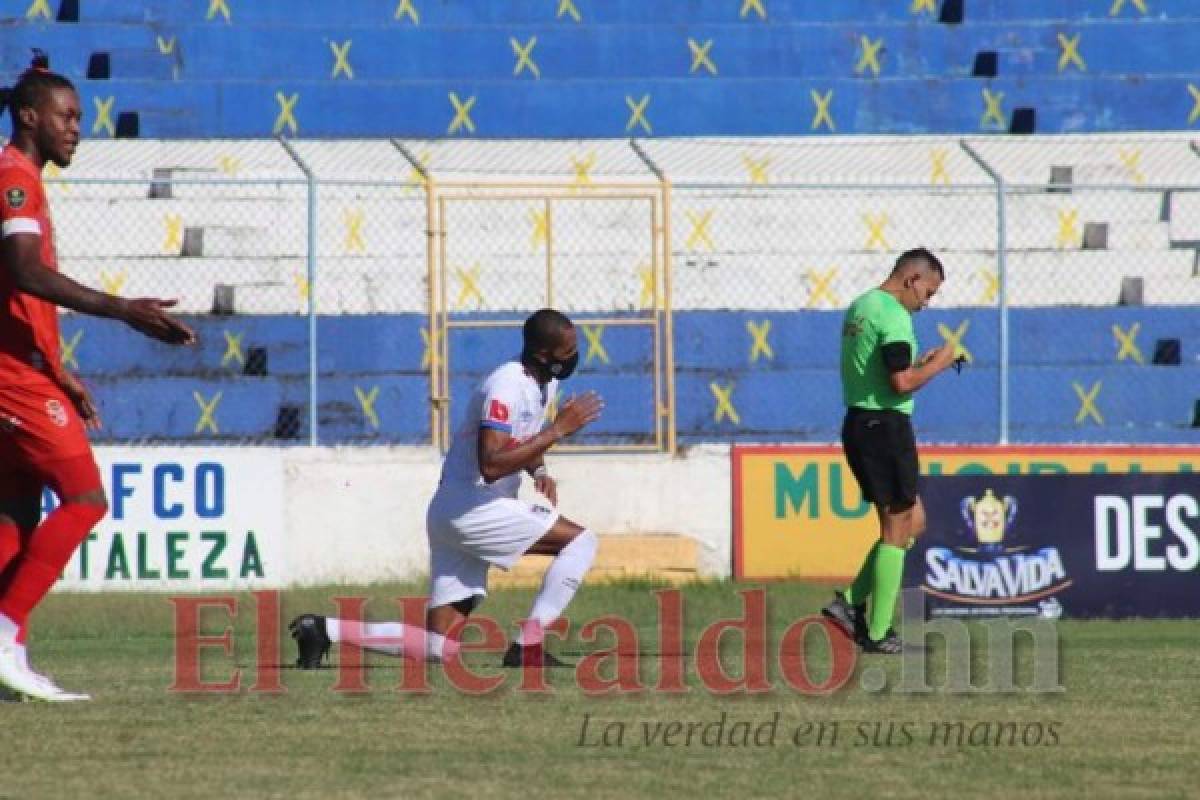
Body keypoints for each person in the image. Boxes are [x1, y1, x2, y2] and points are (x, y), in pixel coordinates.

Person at [0, 52, 196, 701]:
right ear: (30, 116)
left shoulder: (22, 175)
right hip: (10, 377)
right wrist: (124, 310)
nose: (77, 128)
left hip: (25, 371)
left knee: (18, 512)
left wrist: (59, 371)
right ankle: (3, 633)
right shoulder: (13, 179)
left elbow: (17, 300)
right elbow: (25, 271)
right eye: (67, 115)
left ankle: (7, 655)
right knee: (85, 499)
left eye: (80, 117)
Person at [292, 308, 604, 670]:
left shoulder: (544, 384)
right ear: (542, 354)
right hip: (475, 507)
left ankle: (323, 629)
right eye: (567, 352)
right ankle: (527, 647)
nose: (574, 357)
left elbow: (520, 440)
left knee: (440, 648)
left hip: (454, 512)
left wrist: (539, 470)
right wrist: (558, 430)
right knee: (581, 542)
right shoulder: (506, 386)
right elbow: (490, 465)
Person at [821, 248, 959, 654]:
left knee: (912, 521)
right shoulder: (895, 315)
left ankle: (848, 604)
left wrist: (922, 362)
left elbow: (881, 369)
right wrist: (939, 364)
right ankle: (877, 632)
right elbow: (900, 383)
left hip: (862, 422)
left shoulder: (862, 305)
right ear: (912, 280)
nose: (926, 303)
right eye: (928, 292)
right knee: (896, 528)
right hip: (884, 426)